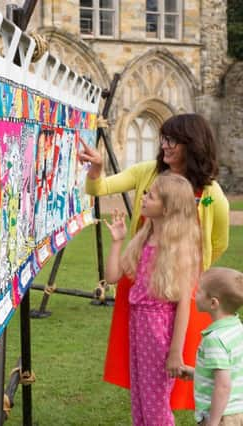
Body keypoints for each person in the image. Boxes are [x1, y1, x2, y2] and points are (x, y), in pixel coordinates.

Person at [80, 113, 230, 409]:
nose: (165, 145)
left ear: (193, 145)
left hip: (178, 289)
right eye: (163, 138)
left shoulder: (212, 195)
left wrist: (187, 273)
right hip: (139, 279)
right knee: (139, 365)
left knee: (174, 360)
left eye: (172, 140)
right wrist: (96, 171)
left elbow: (217, 242)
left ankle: (159, 409)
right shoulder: (147, 172)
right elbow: (99, 189)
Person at [104, 173, 202, 425]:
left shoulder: (179, 249)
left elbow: (183, 306)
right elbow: (113, 276)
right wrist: (117, 242)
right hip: (139, 326)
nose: (144, 198)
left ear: (167, 208)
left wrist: (175, 352)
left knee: (156, 406)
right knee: (140, 402)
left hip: (158, 331)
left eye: (151, 196)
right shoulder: (144, 238)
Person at [180, 267, 243, 426]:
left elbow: (223, 386)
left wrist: (213, 422)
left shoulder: (214, 340)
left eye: (199, 291)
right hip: (237, 411)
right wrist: (197, 373)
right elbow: (232, 372)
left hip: (222, 416)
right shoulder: (237, 329)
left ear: (213, 303)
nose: (195, 294)